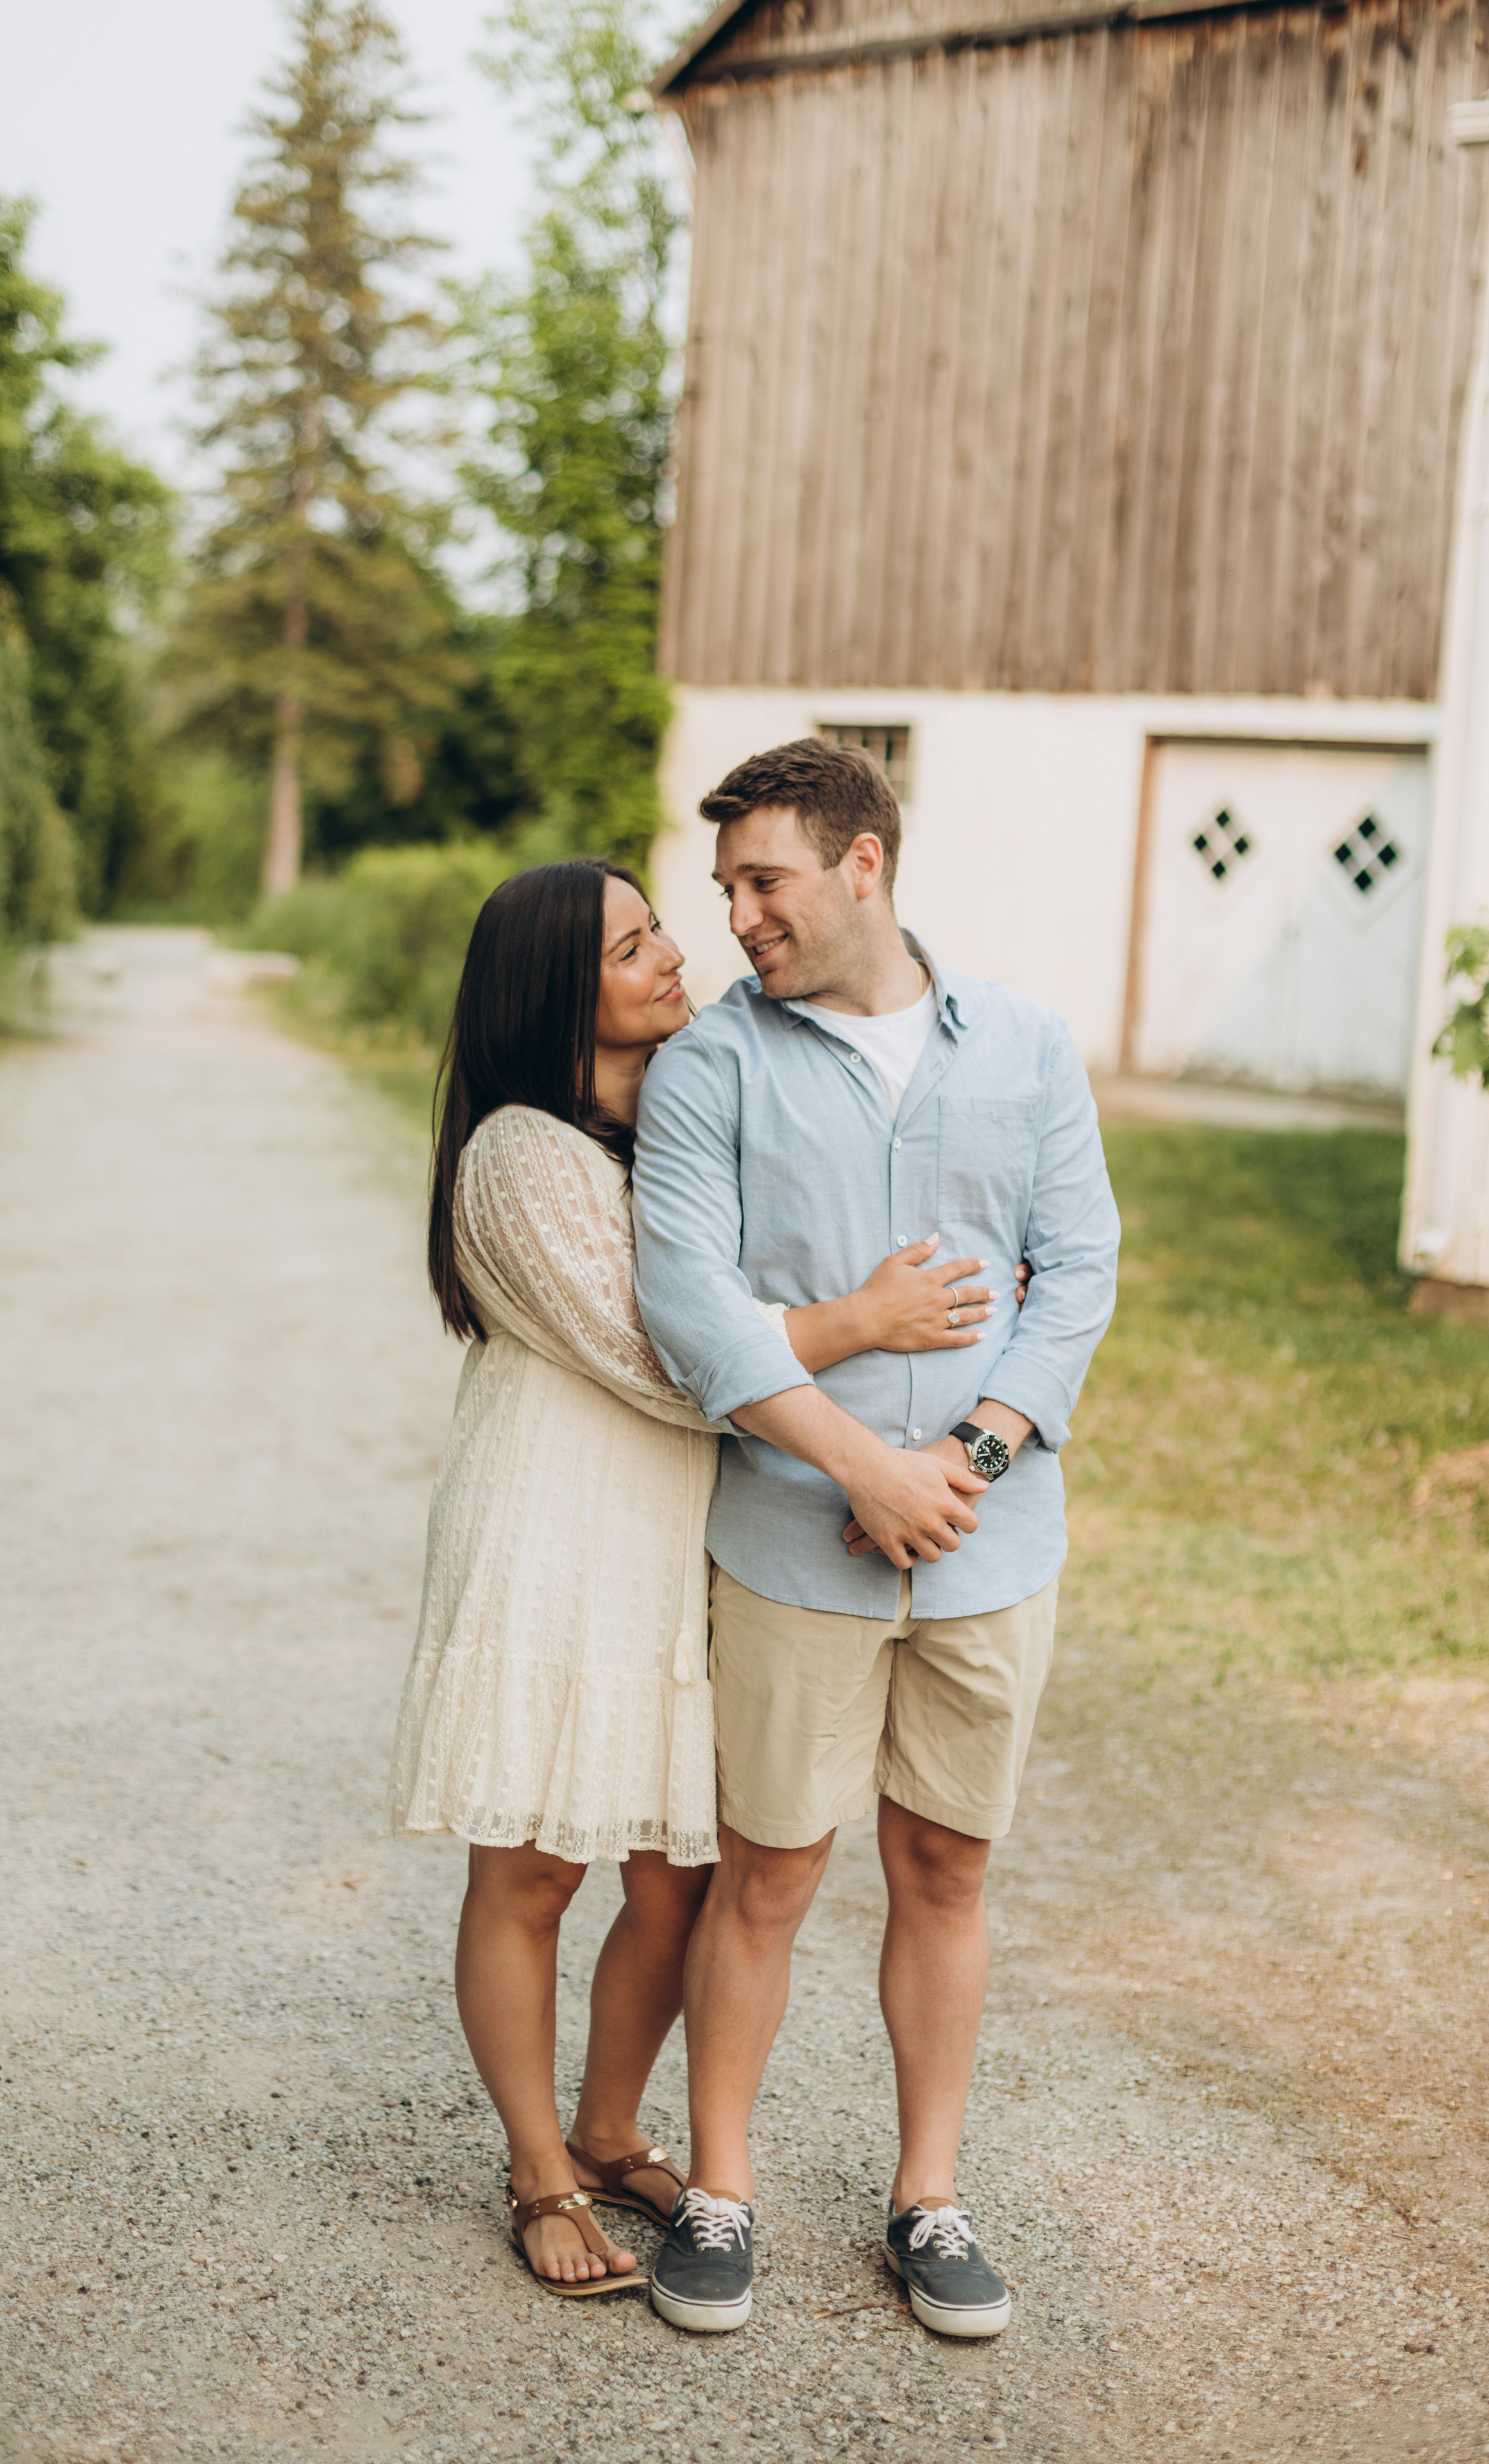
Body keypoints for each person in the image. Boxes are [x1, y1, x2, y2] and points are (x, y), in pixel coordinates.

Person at [390, 858, 1016, 2298]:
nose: (676, 952)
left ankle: (611, 2128)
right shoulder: (519, 1156)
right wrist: (863, 1321)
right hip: (555, 1527)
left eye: (656, 928)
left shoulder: (675, 1119)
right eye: (630, 948)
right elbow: (666, 1362)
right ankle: (540, 2172)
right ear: (557, 994)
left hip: (683, 1534)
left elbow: (767, 1274)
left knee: (678, 1879)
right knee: (533, 1869)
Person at [631, 739, 1120, 2338]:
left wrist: (965, 1458)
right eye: (724, 889)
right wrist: (861, 1468)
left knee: (944, 1866)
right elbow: (694, 1309)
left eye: (761, 880)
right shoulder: (712, 1065)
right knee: (767, 1872)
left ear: (862, 865)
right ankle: (719, 2189)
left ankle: (928, 2196)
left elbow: (1077, 1272)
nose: (736, 917)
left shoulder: (1026, 1046)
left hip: (991, 1541)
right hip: (791, 1542)